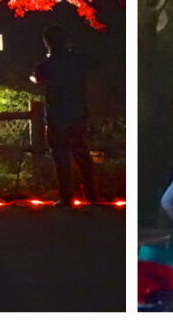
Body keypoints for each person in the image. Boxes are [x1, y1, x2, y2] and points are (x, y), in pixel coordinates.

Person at [33, 24, 99, 208]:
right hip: (78, 112)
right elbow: (94, 63)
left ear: (47, 43)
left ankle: (67, 197)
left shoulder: (46, 65)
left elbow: (38, 78)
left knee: (61, 155)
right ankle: (92, 196)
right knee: (82, 153)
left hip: (57, 115)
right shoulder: (77, 60)